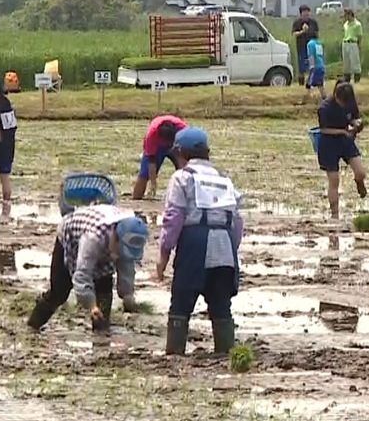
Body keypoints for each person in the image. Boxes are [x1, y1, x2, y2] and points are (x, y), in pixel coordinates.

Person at [155, 127, 243, 356]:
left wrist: (164, 253)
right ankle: (226, 352)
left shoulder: (182, 178)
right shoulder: (225, 179)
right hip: (224, 242)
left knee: (182, 302)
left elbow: (173, 217)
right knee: (221, 303)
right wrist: (232, 251)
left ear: (180, 153)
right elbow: (237, 221)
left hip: (195, 241)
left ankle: (174, 354)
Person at [26, 204, 148, 335]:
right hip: (71, 237)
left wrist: (127, 295)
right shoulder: (93, 238)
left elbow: (127, 266)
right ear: (116, 238)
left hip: (104, 240)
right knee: (59, 292)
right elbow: (82, 275)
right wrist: (91, 305)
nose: (120, 255)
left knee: (104, 293)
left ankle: (101, 337)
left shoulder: (128, 233)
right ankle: (32, 326)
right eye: (121, 250)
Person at [317, 81, 367, 219]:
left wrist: (357, 124)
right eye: (342, 102)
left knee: (361, 172)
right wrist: (342, 132)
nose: (345, 105)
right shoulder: (325, 108)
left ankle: (359, 182)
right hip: (328, 143)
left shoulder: (350, 102)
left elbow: (355, 118)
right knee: (334, 180)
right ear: (336, 96)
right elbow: (323, 129)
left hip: (345, 141)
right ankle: (335, 214)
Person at [131, 114, 187, 199]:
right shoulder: (151, 135)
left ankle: (185, 196)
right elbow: (151, 162)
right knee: (144, 174)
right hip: (158, 146)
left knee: (185, 170)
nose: (167, 145)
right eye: (165, 142)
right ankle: (136, 199)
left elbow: (185, 156)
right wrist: (153, 184)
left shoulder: (183, 131)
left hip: (177, 145)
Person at [291, 6, 319, 87]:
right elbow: (294, 34)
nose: (306, 15)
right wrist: (302, 31)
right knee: (301, 67)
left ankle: (311, 83)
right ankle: (301, 83)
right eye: (304, 13)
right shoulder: (297, 22)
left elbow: (317, 34)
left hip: (312, 47)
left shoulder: (313, 22)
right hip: (301, 47)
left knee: (312, 66)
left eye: (307, 13)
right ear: (301, 14)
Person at [302, 30, 326, 103]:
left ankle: (305, 99)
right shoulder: (319, 43)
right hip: (321, 65)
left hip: (315, 66)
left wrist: (311, 66)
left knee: (309, 84)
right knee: (320, 84)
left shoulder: (310, 44)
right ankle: (324, 98)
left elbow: (311, 55)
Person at [341, 9, 363, 83]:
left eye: (346, 15)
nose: (345, 17)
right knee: (346, 62)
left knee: (355, 61)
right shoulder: (345, 24)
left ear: (350, 15)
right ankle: (347, 78)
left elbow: (360, 36)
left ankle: (357, 77)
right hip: (345, 42)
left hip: (353, 43)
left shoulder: (357, 24)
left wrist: (359, 45)